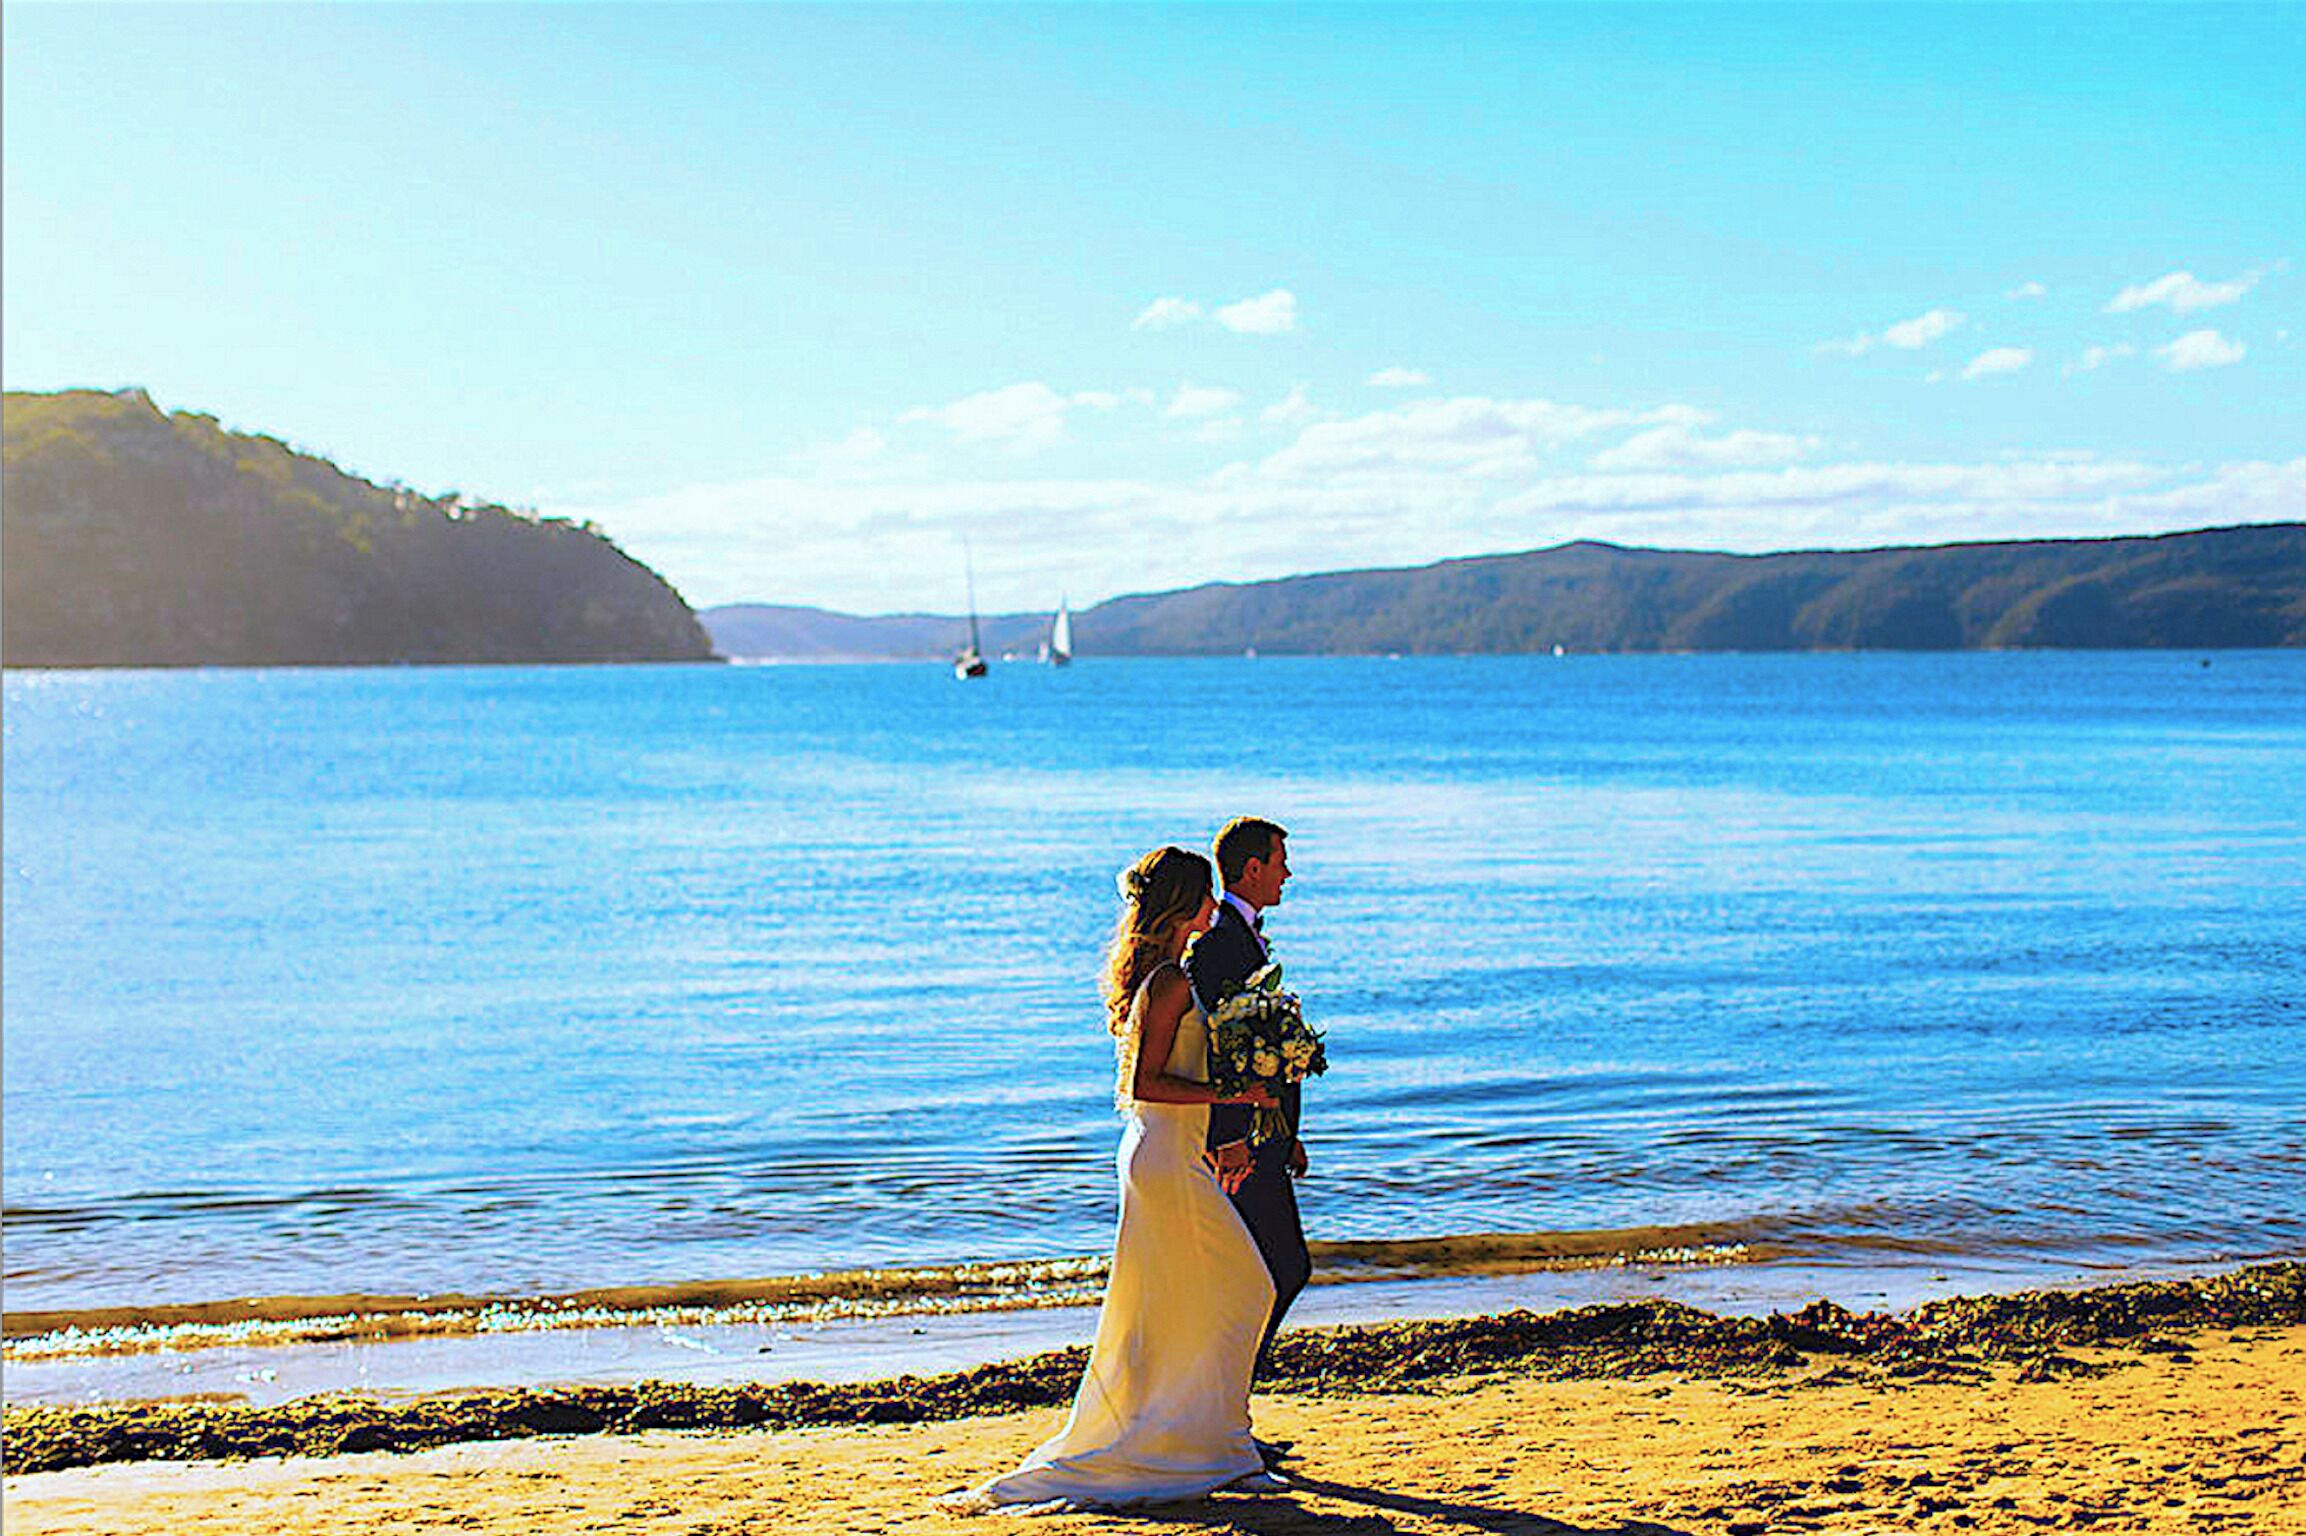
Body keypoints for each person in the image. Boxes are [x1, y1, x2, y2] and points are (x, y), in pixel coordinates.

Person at [943, 846, 1287, 1512]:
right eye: (1207, 897)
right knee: (1249, 1288)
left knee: (1184, 1303)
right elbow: (1146, 1083)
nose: (1216, 906)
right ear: (1188, 906)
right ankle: (1212, 1446)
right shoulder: (1170, 983)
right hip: (1162, 1156)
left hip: (1168, 1153)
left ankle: (1222, 1446)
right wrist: (1234, 1094)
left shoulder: (1168, 976)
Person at [1185, 816, 1309, 1466]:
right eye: (1280, 861)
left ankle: (1229, 1415)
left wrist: (1289, 1135)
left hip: (1264, 1139)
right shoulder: (1217, 947)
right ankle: (1225, 1414)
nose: (1288, 873)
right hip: (1237, 1144)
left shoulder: (1246, 940)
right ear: (1252, 868)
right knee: (1279, 1270)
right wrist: (1234, 1138)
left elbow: (1265, 1051)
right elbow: (1223, 1052)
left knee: (1264, 1274)